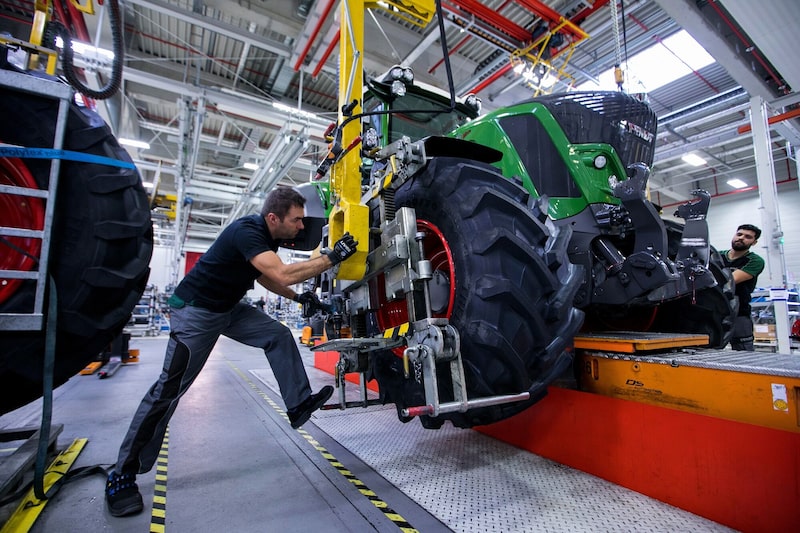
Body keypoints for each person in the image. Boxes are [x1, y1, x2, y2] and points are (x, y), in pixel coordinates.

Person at [105, 186, 357, 517]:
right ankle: (122, 474)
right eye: (296, 220)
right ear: (273, 218)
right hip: (196, 312)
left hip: (227, 308)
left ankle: (297, 405)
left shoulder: (266, 240)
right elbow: (281, 273)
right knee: (168, 391)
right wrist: (332, 257)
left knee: (278, 335)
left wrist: (299, 298)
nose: (300, 227)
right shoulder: (247, 231)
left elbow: (265, 277)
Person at [720, 224, 765, 351]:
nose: (741, 238)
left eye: (747, 237)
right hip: (712, 311)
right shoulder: (715, 255)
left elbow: (730, 280)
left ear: (754, 242)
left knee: (744, 350)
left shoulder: (755, 261)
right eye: (739, 234)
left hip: (739, 313)